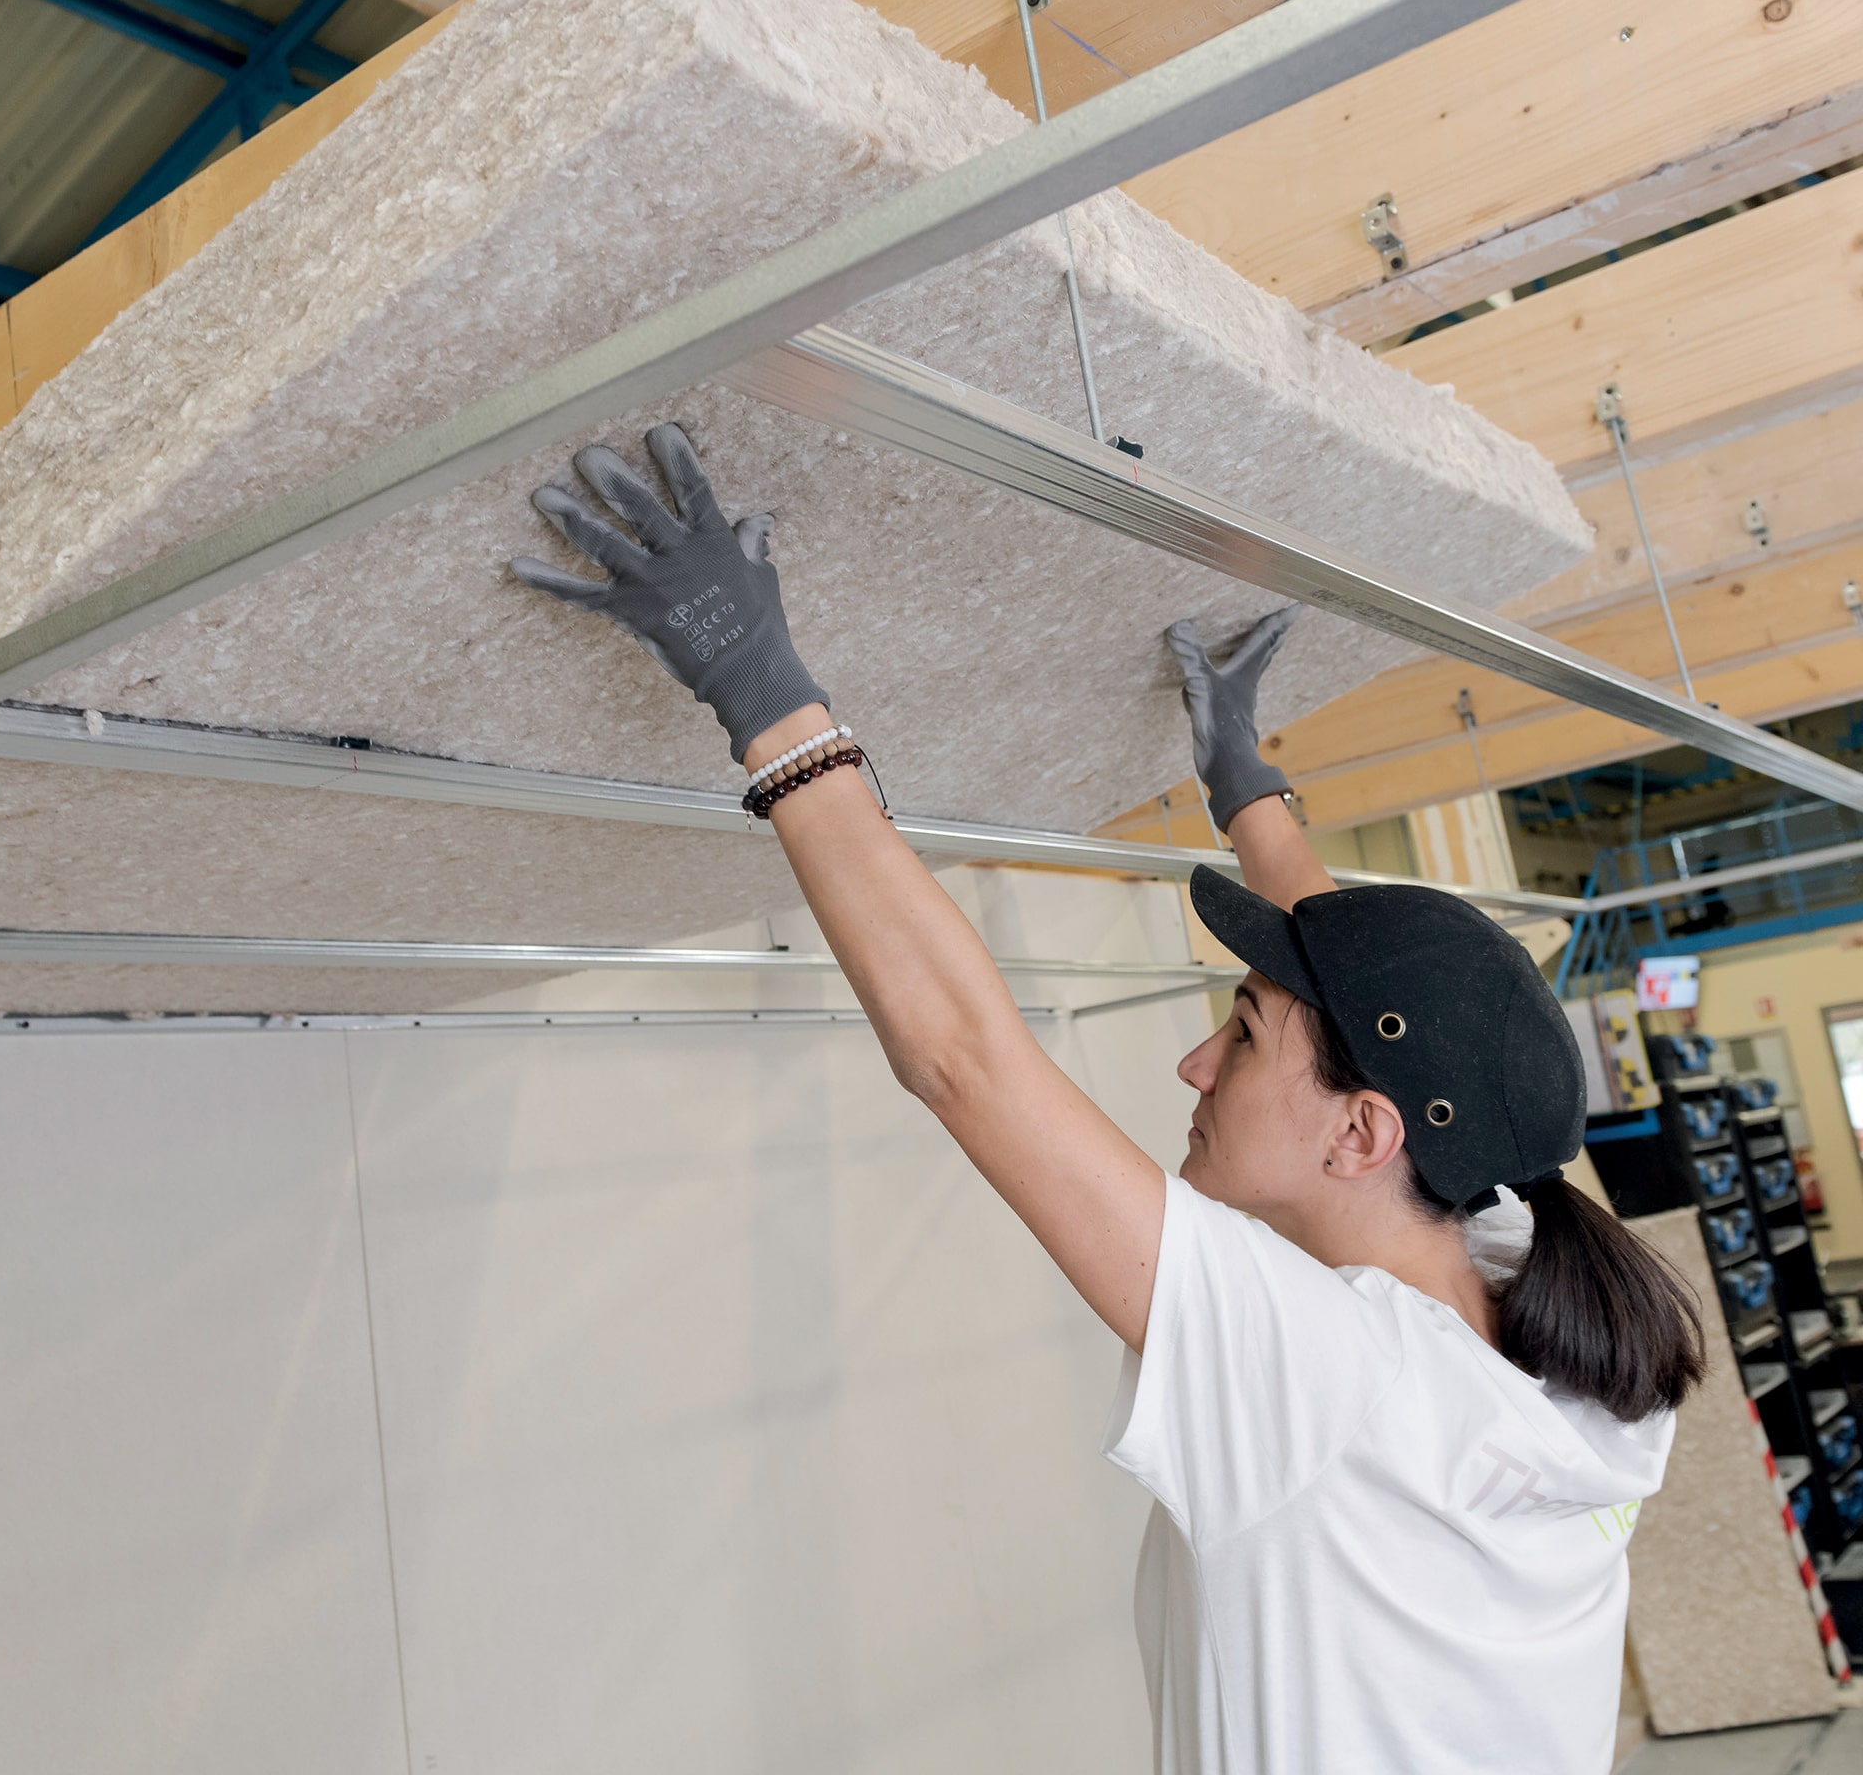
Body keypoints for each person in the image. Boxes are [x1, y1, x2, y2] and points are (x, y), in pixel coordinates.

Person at [511, 423, 1707, 1775]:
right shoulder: (1546, 1320)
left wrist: (760, 686)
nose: (1196, 1066)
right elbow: (1393, 1014)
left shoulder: (1337, 1389)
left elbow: (967, 1060)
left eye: (1240, 1035)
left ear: (1364, 1136)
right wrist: (1247, 785)